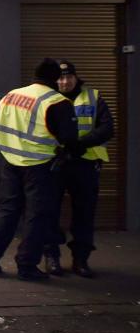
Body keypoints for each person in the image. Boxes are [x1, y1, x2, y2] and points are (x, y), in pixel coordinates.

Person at [0, 58, 78, 281]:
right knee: (36, 216)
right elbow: (70, 139)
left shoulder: (13, 95)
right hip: (40, 167)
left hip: (11, 162)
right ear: (55, 78)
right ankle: (26, 265)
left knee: (7, 210)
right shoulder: (57, 102)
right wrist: (64, 154)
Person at [43, 60, 113, 277]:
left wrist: (80, 145)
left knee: (84, 213)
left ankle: (81, 259)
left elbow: (107, 128)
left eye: (69, 77)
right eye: (61, 78)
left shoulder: (92, 97)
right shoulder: (45, 98)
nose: (65, 82)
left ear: (75, 77)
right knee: (49, 211)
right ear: (54, 80)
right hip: (55, 162)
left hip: (85, 163)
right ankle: (51, 257)